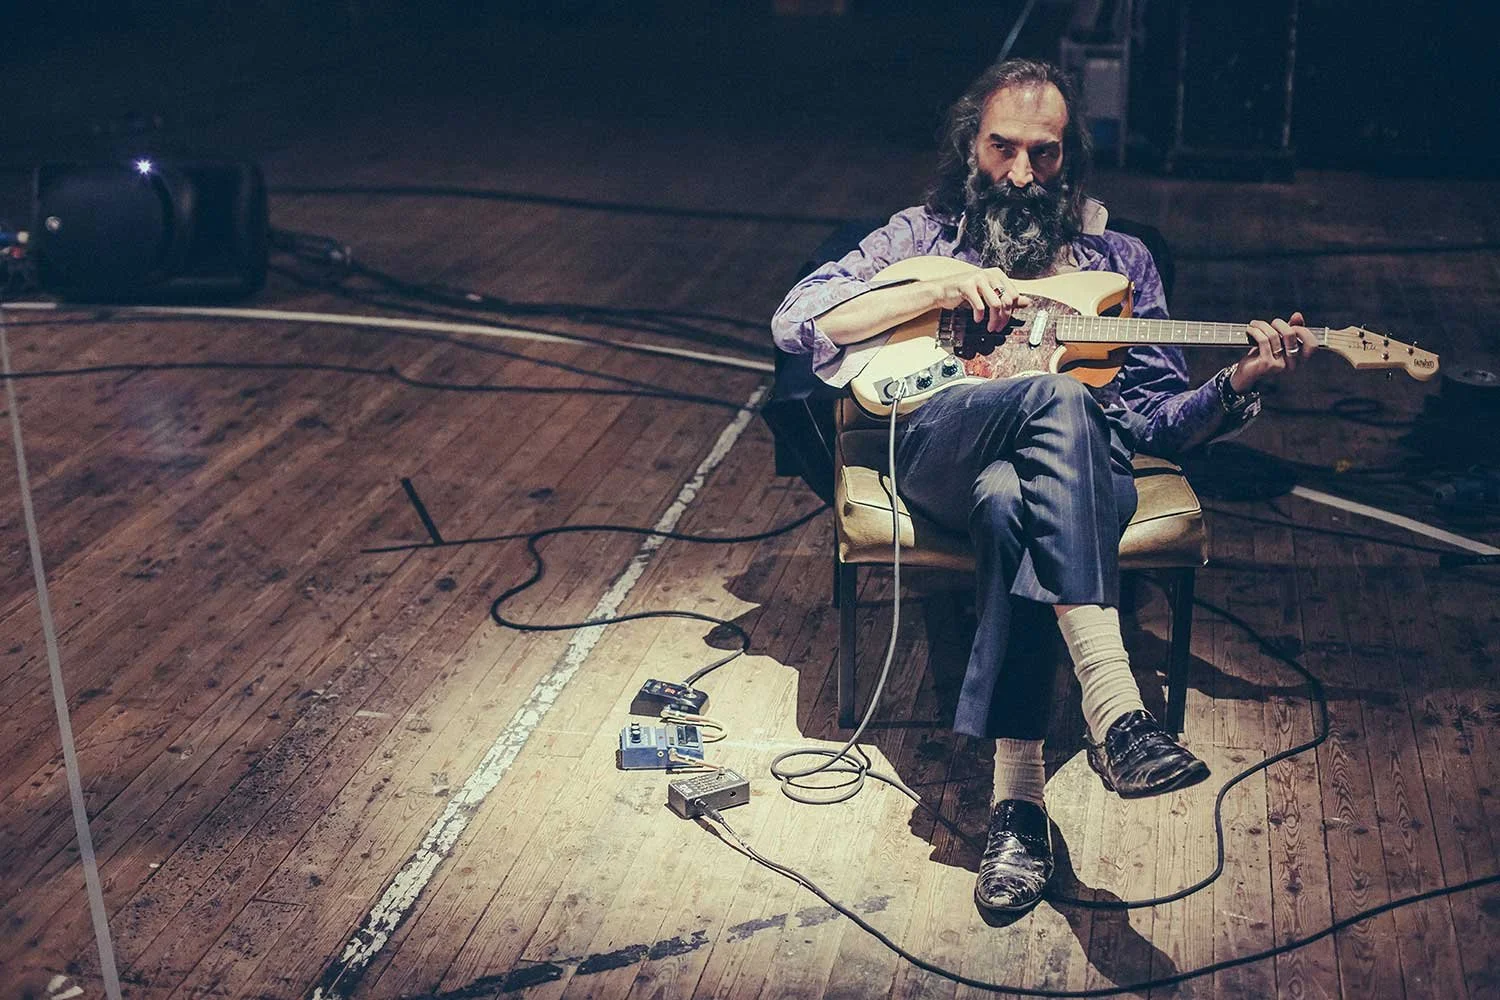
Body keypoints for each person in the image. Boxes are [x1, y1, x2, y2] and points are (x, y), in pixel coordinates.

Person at [770, 58, 1315, 914]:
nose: (1022, 175)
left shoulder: (1117, 261)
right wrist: (945, 284)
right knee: (1046, 409)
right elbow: (798, 318)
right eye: (1003, 149)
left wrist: (1239, 381)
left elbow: (1155, 423)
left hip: (1073, 475)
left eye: (1045, 154)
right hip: (938, 445)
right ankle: (1115, 704)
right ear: (969, 147)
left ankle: (1016, 807)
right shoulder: (920, 237)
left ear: (1071, 159)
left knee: (1009, 499)